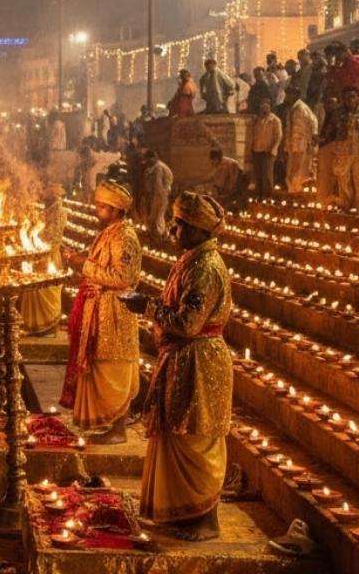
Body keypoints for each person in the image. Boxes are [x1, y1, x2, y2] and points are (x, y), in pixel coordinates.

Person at [125, 192, 233, 541]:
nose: (173, 229)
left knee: (195, 437)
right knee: (177, 432)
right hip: (183, 358)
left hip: (200, 362)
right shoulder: (191, 259)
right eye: (174, 222)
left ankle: (205, 520)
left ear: (200, 230)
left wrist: (147, 306)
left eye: (181, 224)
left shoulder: (206, 268)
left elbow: (188, 323)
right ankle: (182, 514)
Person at [61, 181, 142, 444]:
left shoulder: (125, 237)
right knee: (100, 366)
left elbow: (124, 278)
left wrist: (83, 265)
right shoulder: (109, 232)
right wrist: (78, 260)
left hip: (116, 311)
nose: (97, 210)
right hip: (99, 308)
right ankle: (108, 425)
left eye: (102, 206)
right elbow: (97, 263)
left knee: (115, 367)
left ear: (116, 210)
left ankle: (118, 430)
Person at [19, 184, 66, 336]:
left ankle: (47, 328)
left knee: (46, 290)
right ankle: (32, 325)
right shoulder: (45, 211)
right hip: (37, 255)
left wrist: (33, 232)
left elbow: (52, 237)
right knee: (32, 289)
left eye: (44, 191)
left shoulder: (60, 212)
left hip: (49, 257)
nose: (41, 194)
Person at [332, 86, 359, 209]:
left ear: (357, 98)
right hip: (343, 148)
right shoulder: (339, 111)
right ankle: (345, 204)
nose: (350, 100)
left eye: (353, 97)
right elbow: (334, 127)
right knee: (343, 178)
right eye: (347, 97)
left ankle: (358, 206)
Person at [281, 86, 318, 194]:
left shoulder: (301, 108)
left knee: (298, 171)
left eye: (290, 94)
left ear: (296, 95)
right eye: (287, 94)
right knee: (292, 170)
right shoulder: (292, 108)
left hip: (301, 145)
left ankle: (296, 193)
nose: (287, 96)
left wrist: (314, 135)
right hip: (294, 145)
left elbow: (313, 121)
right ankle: (293, 192)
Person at [250, 99, 282, 196]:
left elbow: (278, 136)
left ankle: (268, 196)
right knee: (258, 175)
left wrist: (273, 149)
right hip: (257, 150)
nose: (264, 109)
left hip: (268, 152)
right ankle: (259, 196)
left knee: (267, 176)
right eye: (262, 106)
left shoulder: (275, 120)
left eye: (266, 106)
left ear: (270, 107)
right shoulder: (257, 120)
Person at [142, 149, 174, 241]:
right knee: (154, 216)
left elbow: (158, 184)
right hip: (156, 195)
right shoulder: (154, 167)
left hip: (159, 195)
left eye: (147, 159)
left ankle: (159, 236)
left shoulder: (158, 168)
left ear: (152, 158)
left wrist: (157, 195)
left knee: (157, 216)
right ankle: (155, 235)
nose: (146, 162)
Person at [316, 95, 342, 203]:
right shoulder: (326, 116)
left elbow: (334, 134)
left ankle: (328, 199)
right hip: (325, 147)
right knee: (324, 175)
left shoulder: (337, 117)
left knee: (330, 174)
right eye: (327, 103)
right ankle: (323, 199)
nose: (328, 106)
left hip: (332, 147)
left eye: (331, 103)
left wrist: (324, 140)